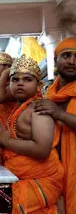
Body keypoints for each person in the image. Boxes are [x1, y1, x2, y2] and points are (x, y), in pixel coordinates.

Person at [0, 54, 64, 213]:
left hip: (41, 180)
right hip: (23, 178)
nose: (20, 83)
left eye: (27, 79)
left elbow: (42, 149)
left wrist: (6, 140)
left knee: (1, 204)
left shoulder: (38, 109)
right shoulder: (21, 108)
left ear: (38, 85)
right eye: (15, 80)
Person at [34, 37, 76, 214]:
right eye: (66, 55)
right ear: (55, 60)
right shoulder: (50, 93)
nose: (72, 61)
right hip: (54, 168)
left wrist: (59, 114)